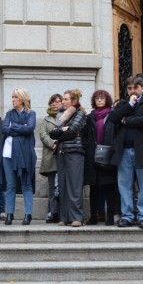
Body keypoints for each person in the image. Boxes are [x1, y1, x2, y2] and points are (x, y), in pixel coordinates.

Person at [109, 77, 143, 229]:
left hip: (142, 150)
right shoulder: (124, 104)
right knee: (124, 185)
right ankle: (127, 216)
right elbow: (113, 118)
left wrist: (127, 121)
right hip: (124, 150)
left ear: (142, 88)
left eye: (135, 88)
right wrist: (129, 105)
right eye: (129, 88)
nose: (132, 91)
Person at [49, 89, 86, 227]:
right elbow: (52, 133)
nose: (62, 101)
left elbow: (71, 131)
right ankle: (64, 217)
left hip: (75, 151)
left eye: (65, 99)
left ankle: (77, 217)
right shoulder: (61, 115)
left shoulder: (79, 113)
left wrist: (62, 131)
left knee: (74, 185)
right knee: (63, 185)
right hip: (61, 152)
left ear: (73, 101)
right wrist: (62, 130)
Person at [83, 90, 119, 226]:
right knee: (94, 188)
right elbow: (86, 135)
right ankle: (93, 217)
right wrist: (88, 148)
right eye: (97, 98)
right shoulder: (90, 116)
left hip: (108, 155)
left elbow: (116, 134)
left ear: (107, 99)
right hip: (93, 156)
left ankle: (109, 217)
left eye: (102, 98)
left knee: (109, 187)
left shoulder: (113, 115)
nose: (99, 100)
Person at [3, 88, 37, 225]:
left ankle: (28, 214)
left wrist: (13, 127)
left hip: (25, 154)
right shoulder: (9, 113)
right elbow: (4, 129)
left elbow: (30, 128)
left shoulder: (31, 113)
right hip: (8, 153)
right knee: (10, 185)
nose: (12, 99)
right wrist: (20, 127)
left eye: (15, 97)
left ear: (22, 99)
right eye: (12, 97)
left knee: (26, 184)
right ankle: (9, 214)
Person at [39, 94, 62, 223]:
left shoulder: (66, 117)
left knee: (63, 186)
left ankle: (63, 212)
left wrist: (59, 143)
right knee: (52, 187)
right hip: (51, 156)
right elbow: (43, 135)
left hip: (63, 155)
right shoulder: (45, 120)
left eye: (58, 102)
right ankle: (52, 212)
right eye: (53, 102)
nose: (55, 104)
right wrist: (53, 143)